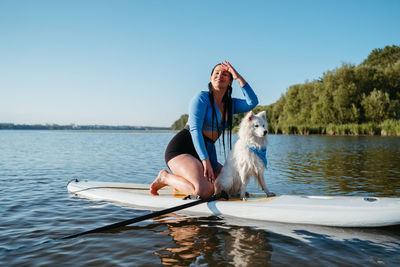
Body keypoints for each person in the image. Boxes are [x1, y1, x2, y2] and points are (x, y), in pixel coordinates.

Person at [150, 61, 259, 198]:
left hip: (206, 150)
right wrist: (205, 161)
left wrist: (238, 77)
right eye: (216, 73)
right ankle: (165, 177)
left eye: (225, 74)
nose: (220, 76)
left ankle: (186, 178)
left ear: (230, 81)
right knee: (205, 191)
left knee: (232, 185)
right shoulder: (202, 98)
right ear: (211, 78)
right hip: (182, 149)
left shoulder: (231, 104)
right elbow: (195, 130)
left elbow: (252, 102)